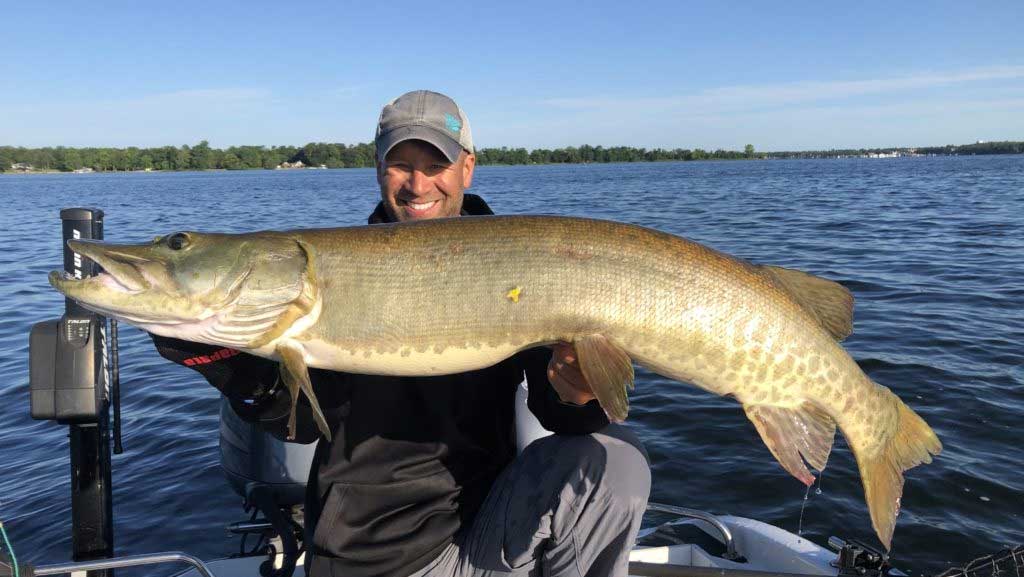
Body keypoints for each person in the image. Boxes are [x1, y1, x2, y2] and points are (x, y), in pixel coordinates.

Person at [151, 90, 650, 577]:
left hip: (491, 527)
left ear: (466, 169)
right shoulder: (332, 281)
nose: (418, 184)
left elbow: (560, 416)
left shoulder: (516, 262)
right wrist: (225, 365)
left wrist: (578, 392)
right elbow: (299, 425)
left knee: (616, 461)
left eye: (435, 166)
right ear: (377, 170)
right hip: (378, 555)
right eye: (400, 165)